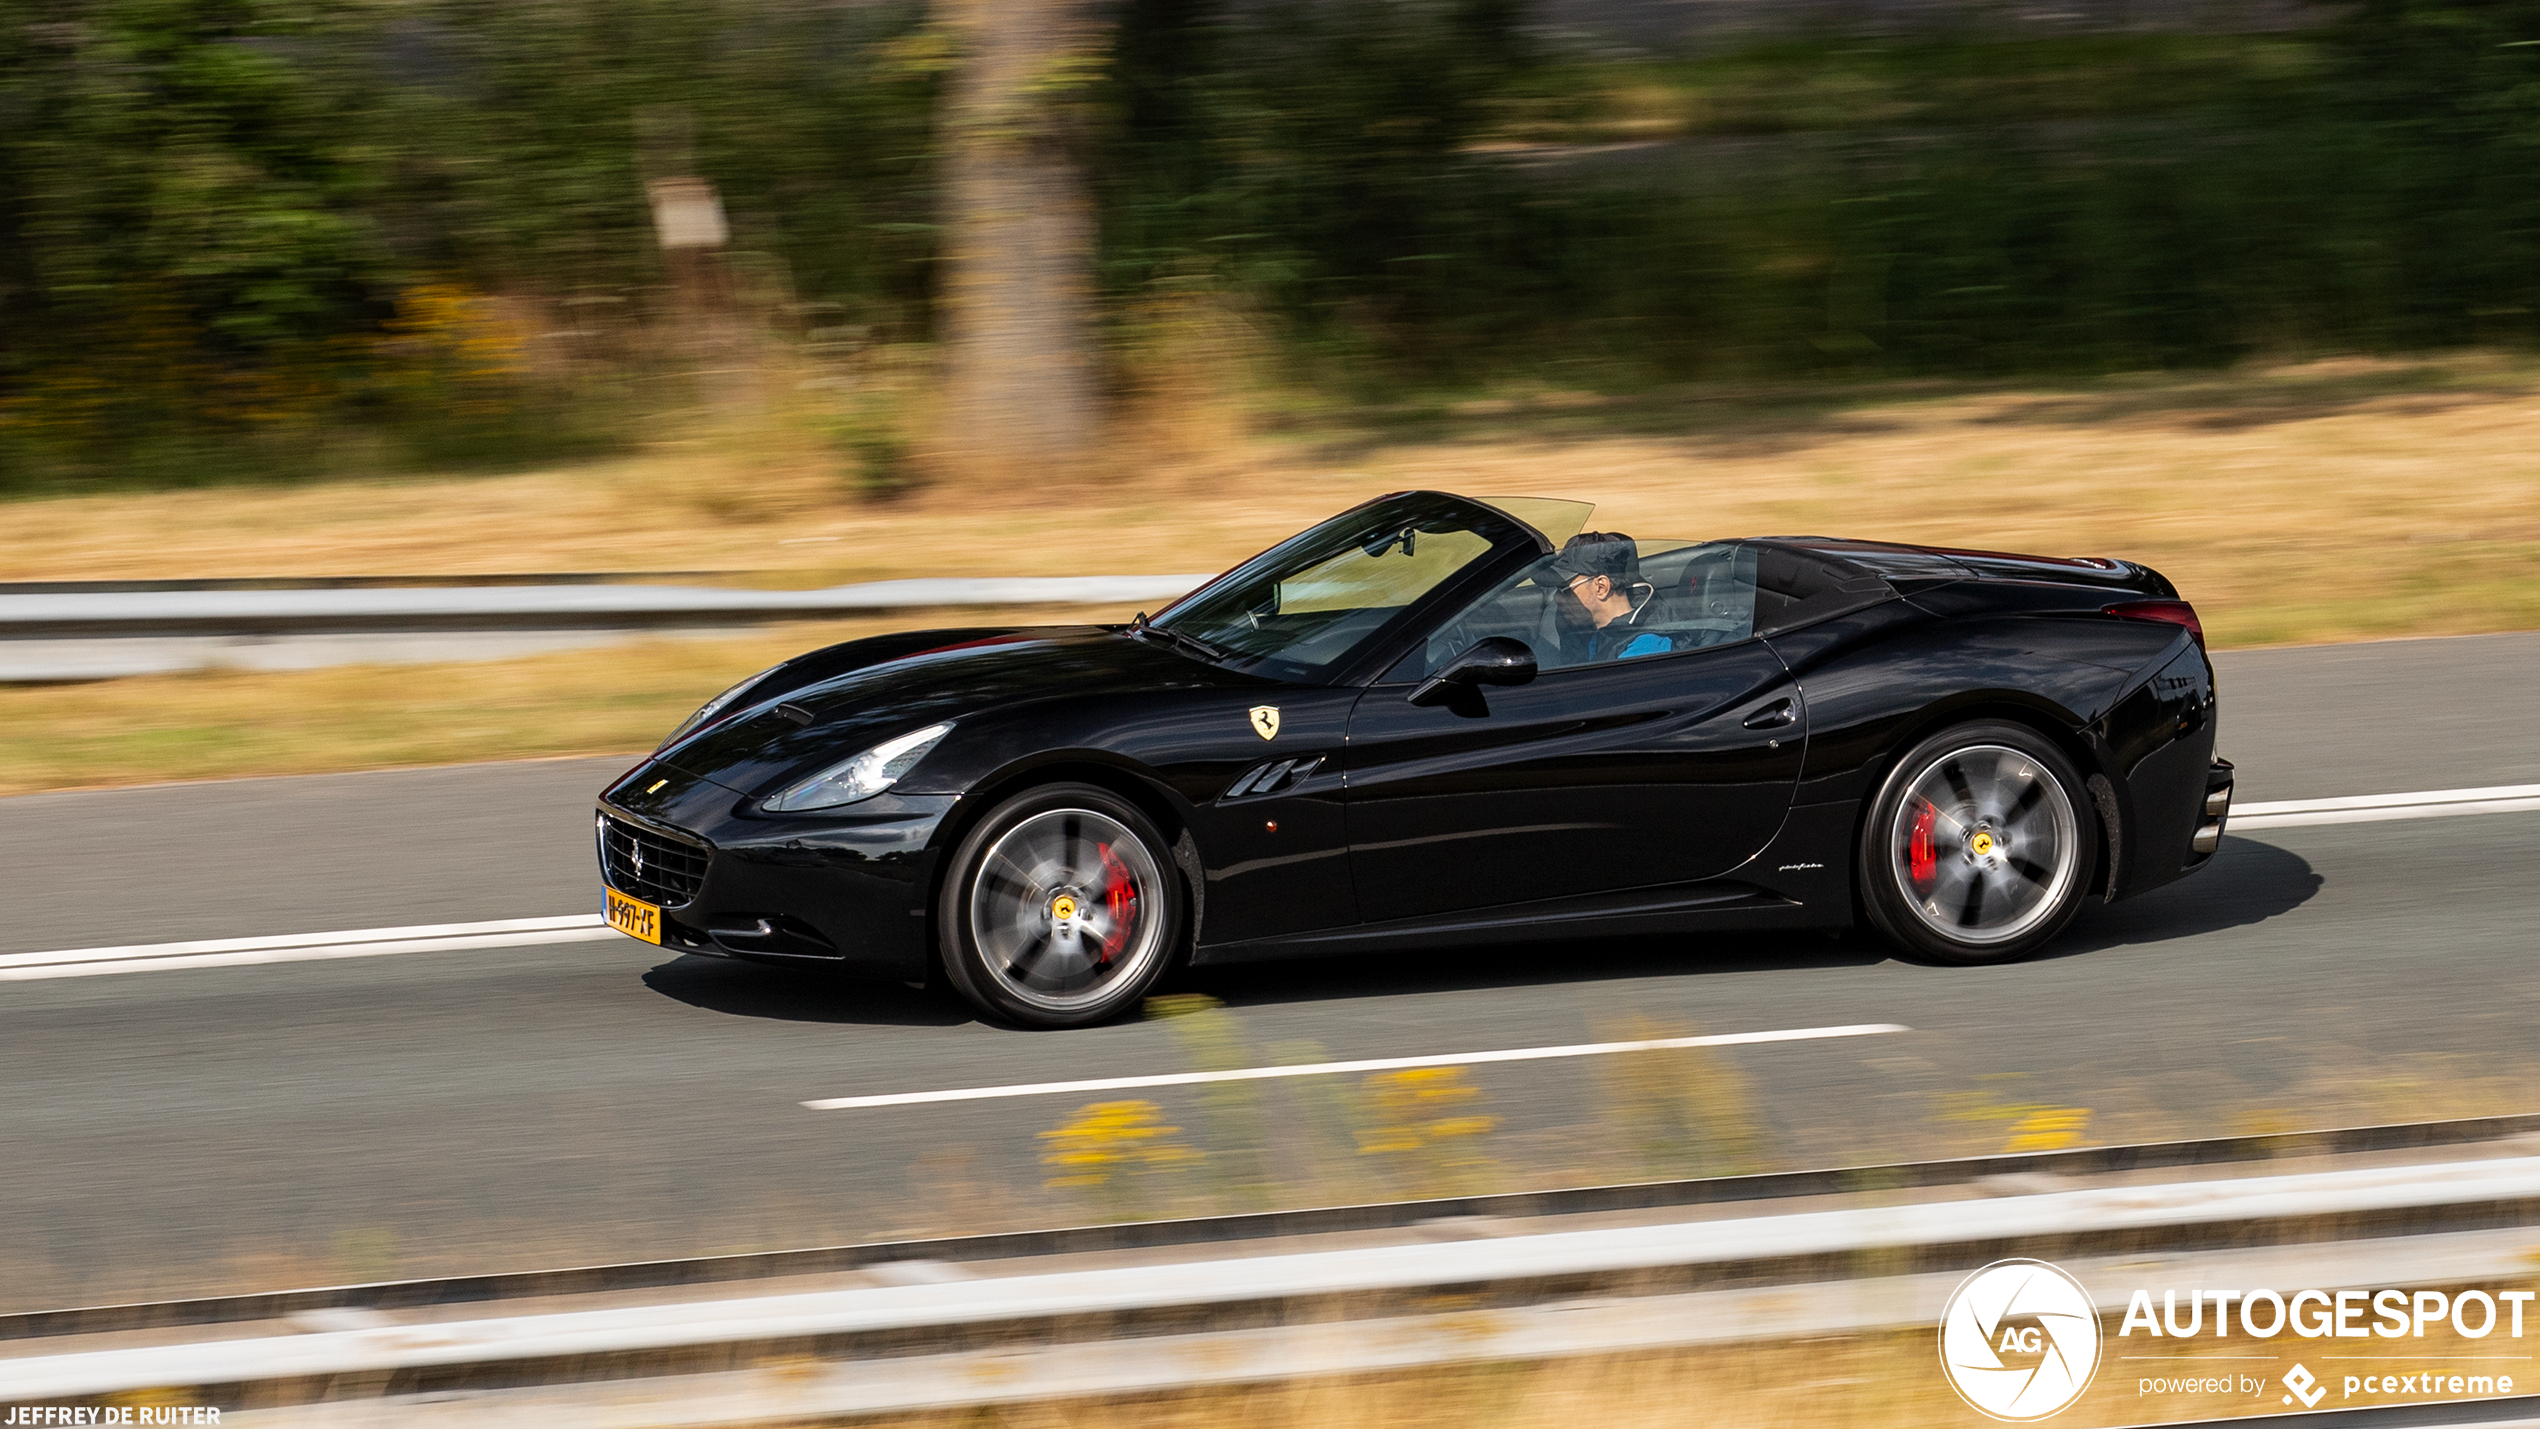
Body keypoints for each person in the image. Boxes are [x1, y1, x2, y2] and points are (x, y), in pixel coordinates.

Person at [1546, 531, 1667, 666]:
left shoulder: (1643, 651)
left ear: (1601, 587)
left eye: (1565, 590)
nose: (1557, 598)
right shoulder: (1599, 634)